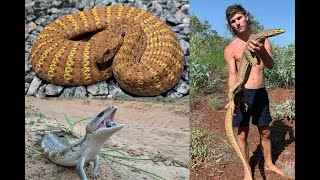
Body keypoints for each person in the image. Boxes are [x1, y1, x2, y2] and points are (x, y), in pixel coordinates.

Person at [223, 4, 286, 180]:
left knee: (265, 131)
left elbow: (271, 65)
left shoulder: (263, 40)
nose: (237, 23)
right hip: (242, 94)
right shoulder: (230, 49)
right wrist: (232, 96)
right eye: (233, 21)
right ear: (231, 25)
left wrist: (262, 51)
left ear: (247, 17)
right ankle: (246, 170)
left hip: (260, 93)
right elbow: (232, 75)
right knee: (242, 134)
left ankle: (269, 163)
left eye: (239, 18)